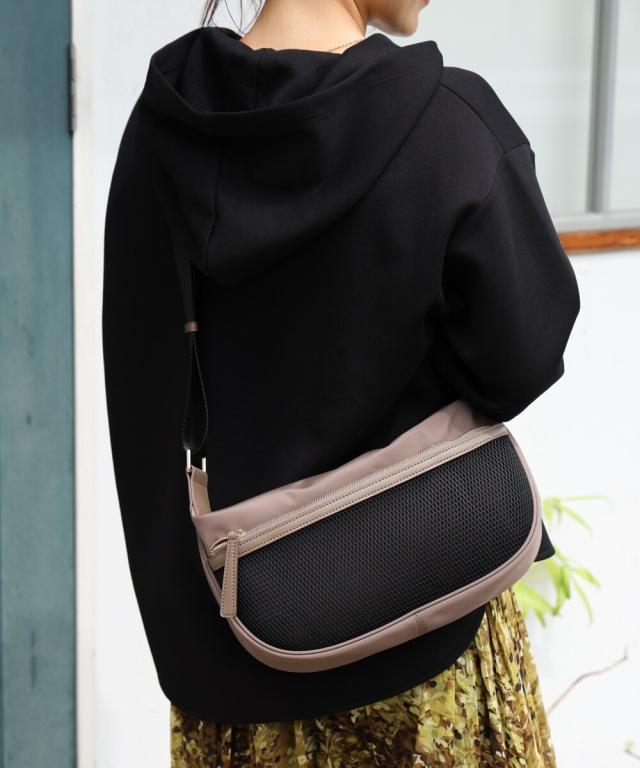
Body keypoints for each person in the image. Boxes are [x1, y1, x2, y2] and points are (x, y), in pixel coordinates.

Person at [102, 0, 581, 764]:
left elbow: (144, 408)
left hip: (242, 664)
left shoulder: (166, 138)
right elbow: (521, 359)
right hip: (432, 657)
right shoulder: (449, 123)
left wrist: (190, 659)